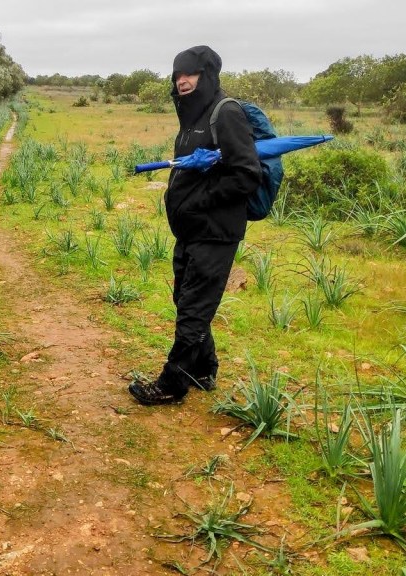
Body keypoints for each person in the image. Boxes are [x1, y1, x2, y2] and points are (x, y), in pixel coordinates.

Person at [128, 45, 261, 406]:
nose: (181, 80)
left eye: (189, 74)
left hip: (215, 232)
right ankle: (204, 368)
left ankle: (173, 382)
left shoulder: (225, 113)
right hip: (191, 230)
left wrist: (199, 203)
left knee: (193, 308)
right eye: (177, 74)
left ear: (207, 75)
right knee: (184, 298)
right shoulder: (192, 119)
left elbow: (247, 174)